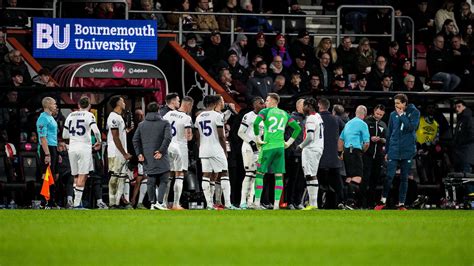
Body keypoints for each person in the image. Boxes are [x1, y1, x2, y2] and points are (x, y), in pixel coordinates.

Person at [253, 93, 301, 209]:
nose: (265, 103)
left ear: (274, 101)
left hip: (268, 146)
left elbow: (255, 124)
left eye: (267, 100)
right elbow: (297, 128)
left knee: (259, 174)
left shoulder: (265, 112)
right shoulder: (285, 114)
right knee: (278, 176)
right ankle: (276, 205)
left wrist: (258, 139)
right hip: (280, 148)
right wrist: (288, 143)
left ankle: (257, 203)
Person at [375, 94, 420, 210]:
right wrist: (387, 151)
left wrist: (402, 115)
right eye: (395, 104)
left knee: (404, 178)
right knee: (389, 176)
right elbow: (389, 133)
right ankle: (382, 200)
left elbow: (411, 128)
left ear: (405, 103)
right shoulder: (392, 114)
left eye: (398, 103)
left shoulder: (414, 113)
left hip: (407, 149)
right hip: (394, 149)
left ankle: (401, 204)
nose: (396, 106)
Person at [62, 96, 102, 209]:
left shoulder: (70, 115)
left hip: (72, 148)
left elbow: (64, 135)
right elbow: (96, 131)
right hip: (84, 147)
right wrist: (98, 141)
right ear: (89, 106)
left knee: (75, 176)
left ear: (78, 105)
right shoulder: (89, 115)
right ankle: (77, 204)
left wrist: (73, 138)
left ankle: (76, 202)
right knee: (83, 175)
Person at [133, 102, 172, 210]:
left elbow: (135, 140)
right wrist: (161, 151)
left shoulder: (141, 125)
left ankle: (152, 203)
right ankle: (159, 203)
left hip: (147, 156)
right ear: (158, 110)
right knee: (164, 178)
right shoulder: (165, 123)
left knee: (151, 179)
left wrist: (139, 153)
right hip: (161, 156)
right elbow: (168, 138)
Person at [195, 95, 231, 209]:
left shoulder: (199, 117)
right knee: (224, 173)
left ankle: (209, 204)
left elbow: (197, 137)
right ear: (215, 103)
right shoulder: (217, 116)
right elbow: (221, 136)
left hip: (203, 149)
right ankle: (228, 204)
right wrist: (224, 150)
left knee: (206, 175)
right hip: (216, 148)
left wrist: (201, 148)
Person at [163, 96, 194, 210]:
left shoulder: (168, 114)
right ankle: (176, 204)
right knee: (179, 174)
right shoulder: (186, 118)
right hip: (180, 148)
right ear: (189, 105)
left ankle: (164, 203)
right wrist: (191, 135)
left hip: (168, 147)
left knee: (169, 175)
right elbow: (188, 136)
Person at [338, 105, 370, 208]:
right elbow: (366, 143)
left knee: (349, 178)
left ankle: (344, 201)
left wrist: (340, 153)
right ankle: (350, 202)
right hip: (355, 151)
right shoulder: (363, 124)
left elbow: (340, 140)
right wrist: (362, 151)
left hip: (347, 151)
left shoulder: (348, 123)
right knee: (357, 177)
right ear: (364, 114)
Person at [237, 96, 265, 209]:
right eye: (260, 103)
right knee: (249, 174)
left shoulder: (264, 117)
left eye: (263, 103)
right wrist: (252, 143)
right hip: (248, 148)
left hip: (259, 149)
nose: (263, 105)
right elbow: (240, 132)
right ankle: (242, 202)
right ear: (254, 105)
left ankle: (251, 202)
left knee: (256, 175)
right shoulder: (248, 116)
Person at [297, 98, 324, 210]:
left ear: (308, 106)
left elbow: (310, 136)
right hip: (318, 148)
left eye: (304, 105)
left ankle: (313, 204)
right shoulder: (318, 116)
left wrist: (300, 146)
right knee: (312, 175)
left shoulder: (311, 118)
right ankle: (313, 204)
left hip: (311, 148)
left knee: (310, 175)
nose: (303, 108)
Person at [107, 96, 133, 209]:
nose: (124, 103)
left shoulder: (119, 117)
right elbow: (115, 137)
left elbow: (120, 136)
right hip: (115, 152)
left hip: (121, 152)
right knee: (115, 176)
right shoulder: (113, 117)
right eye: (122, 101)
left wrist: (127, 131)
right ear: (118, 103)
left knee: (122, 177)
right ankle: (112, 202)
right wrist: (124, 153)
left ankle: (117, 202)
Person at [362, 104, 387, 208]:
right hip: (367, 155)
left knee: (374, 180)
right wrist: (369, 138)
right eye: (377, 113)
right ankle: (362, 203)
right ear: (374, 111)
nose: (378, 116)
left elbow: (386, 139)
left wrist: (381, 140)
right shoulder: (366, 122)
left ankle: (370, 204)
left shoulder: (383, 125)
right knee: (365, 179)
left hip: (378, 156)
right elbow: (361, 137)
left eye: (381, 115)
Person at [36, 97, 59, 208]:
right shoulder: (43, 118)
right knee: (46, 174)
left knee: (52, 175)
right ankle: (44, 202)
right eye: (54, 104)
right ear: (48, 104)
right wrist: (47, 154)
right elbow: (43, 138)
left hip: (53, 148)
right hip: (47, 148)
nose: (55, 106)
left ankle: (51, 201)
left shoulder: (51, 118)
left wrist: (56, 152)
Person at [452, 100, 474, 173]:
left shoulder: (469, 118)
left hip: (466, 153)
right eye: (456, 107)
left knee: (466, 178)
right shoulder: (461, 119)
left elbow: (472, 135)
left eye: (459, 106)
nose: (457, 109)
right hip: (461, 154)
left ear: (464, 107)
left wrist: (460, 142)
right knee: (461, 178)